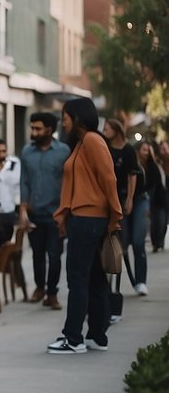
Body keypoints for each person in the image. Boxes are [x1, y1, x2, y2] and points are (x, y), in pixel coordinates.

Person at [49, 98, 122, 354]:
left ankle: (73, 338)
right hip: (86, 219)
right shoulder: (81, 143)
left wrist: (115, 217)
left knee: (77, 279)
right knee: (94, 278)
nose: (62, 120)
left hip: (89, 219)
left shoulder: (92, 140)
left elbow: (109, 177)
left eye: (65, 115)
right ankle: (96, 336)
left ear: (77, 116)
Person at [19, 111, 70, 310]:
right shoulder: (26, 152)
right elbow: (23, 182)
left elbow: (68, 182)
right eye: (32, 127)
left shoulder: (63, 151)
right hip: (34, 213)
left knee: (55, 255)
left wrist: (65, 213)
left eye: (38, 128)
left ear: (49, 130)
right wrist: (22, 209)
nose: (34, 131)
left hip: (56, 213)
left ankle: (52, 293)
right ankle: (40, 287)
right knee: (37, 255)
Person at [103, 118, 148, 295]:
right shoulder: (105, 148)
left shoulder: (128, 150)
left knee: (138, 241)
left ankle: (141, 281)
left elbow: (132, 176)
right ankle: (123, 281)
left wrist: (129, 199)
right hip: (117, 200)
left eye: (107, 128)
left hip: (136, 198)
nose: (105, 131)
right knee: (123, 242)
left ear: (116, 130)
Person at [138, 140, 167, 253]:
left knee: (162, 221)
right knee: (155, 222)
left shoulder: (159, 163)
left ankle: (160, 241)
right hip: (151, 198)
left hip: (161, 197)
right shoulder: (143, 165)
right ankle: (156, 243)